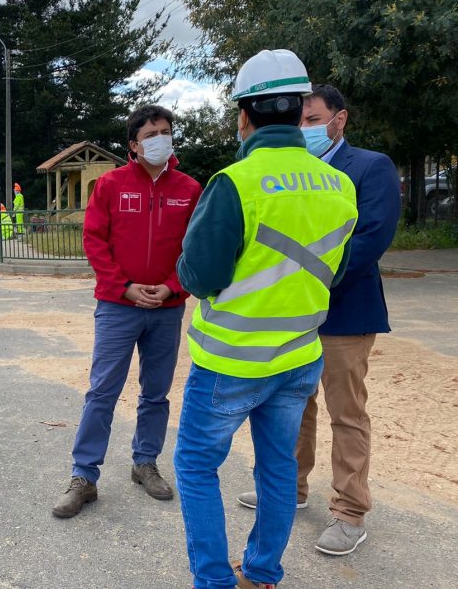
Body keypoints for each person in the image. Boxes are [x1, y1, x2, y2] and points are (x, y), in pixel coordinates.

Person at [173, 50, 358, 588]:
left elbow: (200, 277)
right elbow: (335, 273)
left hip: (229, 363)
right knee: (278, 469)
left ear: (244, 115)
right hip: (298, 358)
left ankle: (213, 580)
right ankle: (261, 574)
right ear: (301, 108)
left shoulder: (234, 183)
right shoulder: (338, 185)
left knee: (195, 467)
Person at [235, 84, 401, 557]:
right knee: (294, 407)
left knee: (346, 413)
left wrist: (301, 277)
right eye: (299, 120)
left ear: (339, 120)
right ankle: (293, 489)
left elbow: (369, 239)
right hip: (293, 315)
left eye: (313, 119)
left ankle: (350, 511)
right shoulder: (290, 172)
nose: (303, 127)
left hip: (345, 314)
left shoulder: (370, 168)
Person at [51, 105, 202, 519]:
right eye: (152, 133)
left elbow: (196, 249)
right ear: (134, 144)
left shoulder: (189, 189)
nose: (161, 139)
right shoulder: (111, 185)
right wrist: (126, 287)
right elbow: (95, 240)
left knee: (156, 394)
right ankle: (84, 476)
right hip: (119, 306)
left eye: (167, 131)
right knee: (102, 391)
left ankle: (145, 463)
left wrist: (173, 286)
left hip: (167, 308)